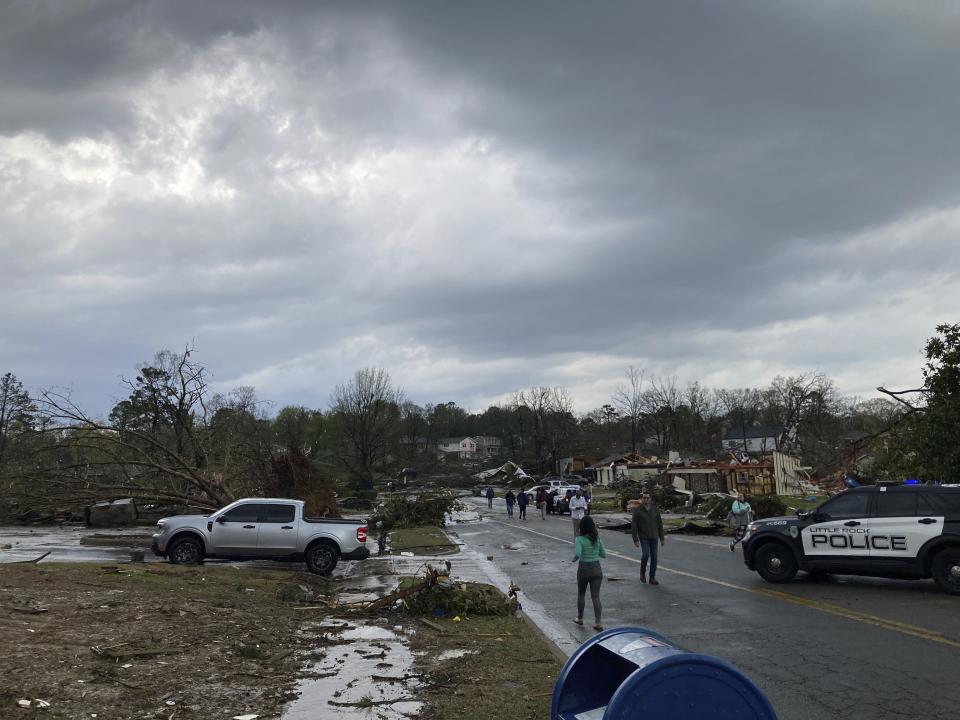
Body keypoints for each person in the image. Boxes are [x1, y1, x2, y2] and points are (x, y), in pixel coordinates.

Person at [572, 515, 605, 631]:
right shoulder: (597, 539)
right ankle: (598, 622)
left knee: (581, 594)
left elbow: (577, 554)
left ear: (582, 527)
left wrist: (573, 559)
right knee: (596, 596)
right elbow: (603, 555)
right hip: (596, 568)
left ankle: (580, 618)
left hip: (584, 568)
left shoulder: (579, 540)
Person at [631, 492, 665, 585]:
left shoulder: (655, 510)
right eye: (644, 498)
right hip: (644, 537)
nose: (646, 500)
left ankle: (652, 577)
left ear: (650, 499)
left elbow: (659, 524)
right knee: (646, 554)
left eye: (647, 498)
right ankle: (642, 573)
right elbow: (634, 525)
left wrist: (662, 538)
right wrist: (635, 539)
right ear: (642, 499)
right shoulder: (638, 511)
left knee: (654, 557)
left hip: (654, 537)